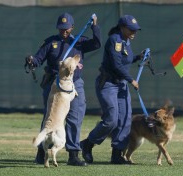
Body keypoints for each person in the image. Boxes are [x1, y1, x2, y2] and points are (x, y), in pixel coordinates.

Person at [25, 12, 101, 166]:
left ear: (72, 27)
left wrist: (95, 26)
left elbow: (97, 44)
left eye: (67, 28)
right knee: (50, 118)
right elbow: (38, 59)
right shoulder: (50, 42)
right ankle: (41, 152)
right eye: (61, 28)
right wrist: (32, 61)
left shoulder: (79, 42)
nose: (64, 31)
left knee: (75, 117)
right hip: (54, 84)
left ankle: (73, 155)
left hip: (74, 84)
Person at [80, 14, 142, 164]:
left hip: (121, 85)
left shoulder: (127, 41)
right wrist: (131, 80)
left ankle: (117, 155)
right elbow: (116, 64)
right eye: (131, 30)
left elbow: (125, 60)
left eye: (135, 30)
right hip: (108, 84)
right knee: (111, 120)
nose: (134, 33)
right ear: (122, 28)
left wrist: (138, 57)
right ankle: (88, 143)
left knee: (125, 119)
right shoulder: (115, 40)